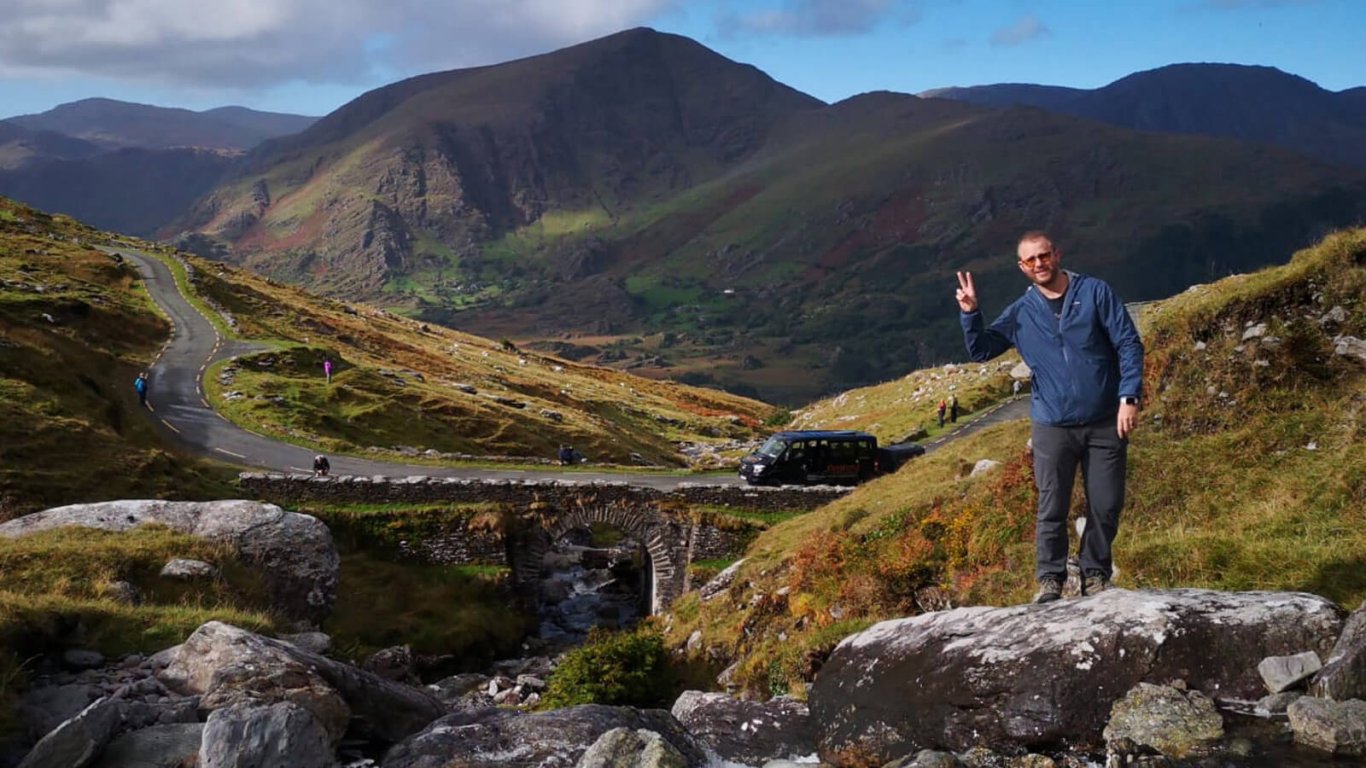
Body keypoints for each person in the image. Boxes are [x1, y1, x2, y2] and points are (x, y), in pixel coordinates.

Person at [956, 230, 1143, 604]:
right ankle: (1050, 581)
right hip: (1052, 426)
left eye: (1044, 256)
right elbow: (982, 350)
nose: (1039, 264)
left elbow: (1128, 343)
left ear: (1056, 254)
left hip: (1106, 419)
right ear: (1022, 267)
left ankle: (1095, 574)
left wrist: (1129, 397)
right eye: (1030, 260)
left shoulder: (1094, 293)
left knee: (1105, 504)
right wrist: (971, 314)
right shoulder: (1022, 312)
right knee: (1052, 507)